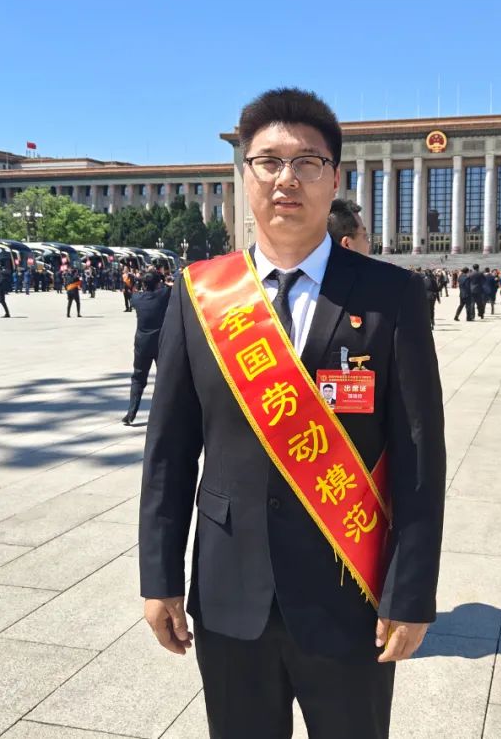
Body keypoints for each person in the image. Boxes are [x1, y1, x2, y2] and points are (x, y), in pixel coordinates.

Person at [140, 87, 446, 739]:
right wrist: (159, 576)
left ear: (333, 179)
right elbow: (169, 450)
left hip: (351, 594)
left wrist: (412, 591)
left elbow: (420, 459)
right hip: (229, 592)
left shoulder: (392, 295)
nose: (287, 179)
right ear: (246, 175)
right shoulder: (200, 294)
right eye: (268, 162)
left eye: (308, 163)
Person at [122, 270, 172, 425]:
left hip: (142, 344)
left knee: (138, 377)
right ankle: (164, 415)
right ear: (158, 283)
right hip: (160, 343)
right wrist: (165, 282)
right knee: (164, 378)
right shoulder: (163, 295)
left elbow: (132, 292)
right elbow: (172, 287)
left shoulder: (136, 299)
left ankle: (131, 413)